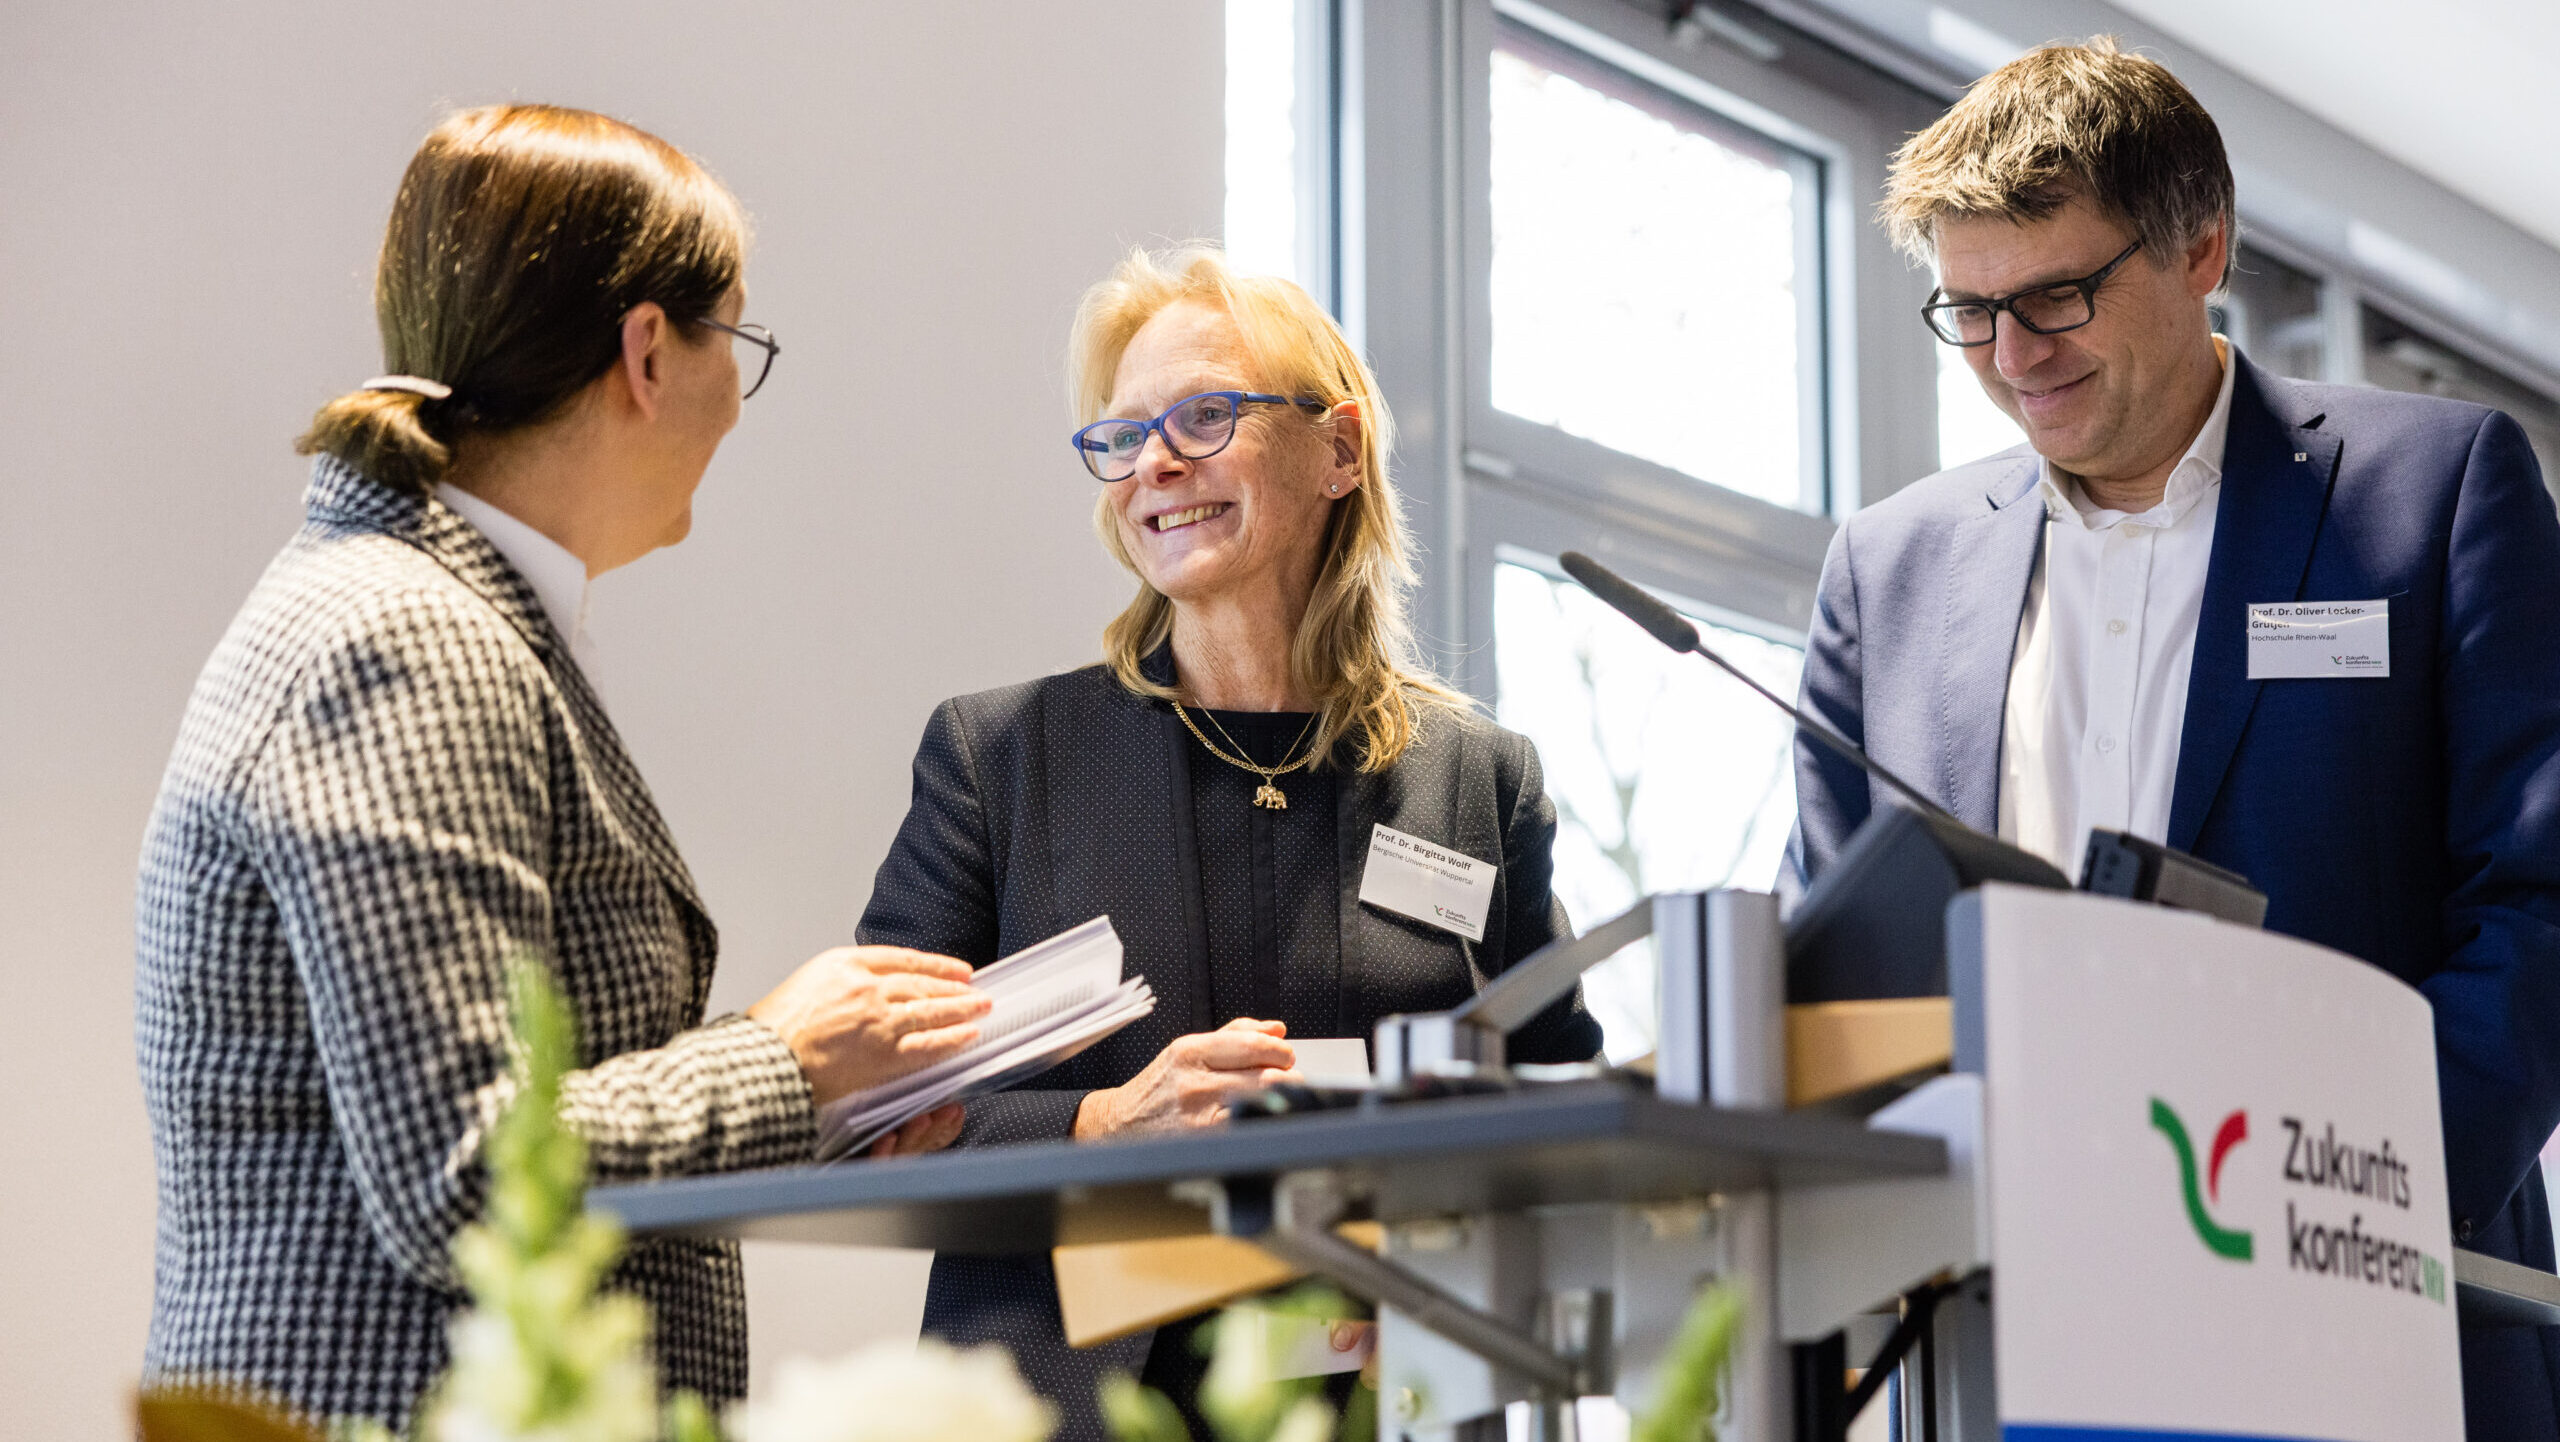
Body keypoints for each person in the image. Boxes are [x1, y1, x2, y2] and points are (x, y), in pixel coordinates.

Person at [133, 105, 991, 1430]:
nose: (736, 405)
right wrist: (781, 1060)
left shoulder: (422, 609)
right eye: (738, 343)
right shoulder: (406, 639)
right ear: (648, 349)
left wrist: (824, 1100)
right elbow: (465, 1172)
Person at [1788, 40, 2560, 1436]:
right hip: (1993, 1336)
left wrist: (2343, 1193)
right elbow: (1841, 961)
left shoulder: (2437, 489)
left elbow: (2538, 900)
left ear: (2203, 246)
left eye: (2058, 296)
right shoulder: (1886, 569)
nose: (2015, 358)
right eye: (1970, 311)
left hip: (2369, 1319)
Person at [858, 245, 1602, 1439]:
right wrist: (1101, 1125)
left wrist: (1459, 1282)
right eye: (1122, 436)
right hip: (1063, 1405)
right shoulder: (1000, 758)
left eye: (1204, 416)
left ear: (1338, 451)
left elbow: (1558, 1111)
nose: (1154, 461)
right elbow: (872, 1109)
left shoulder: (1476, 780)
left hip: (1379, 1402)